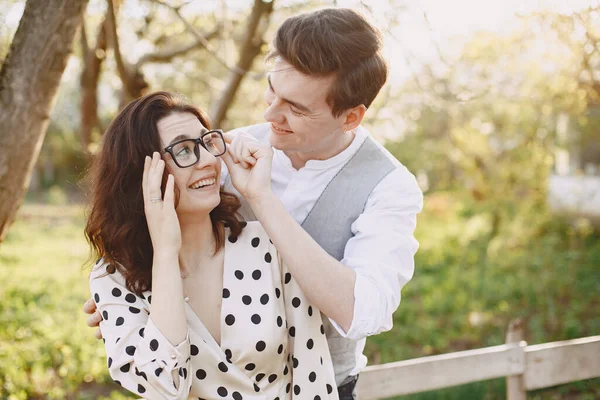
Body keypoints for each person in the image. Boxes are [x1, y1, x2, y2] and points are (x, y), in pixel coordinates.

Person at [85, 7, 423, 400]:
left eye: (296, 109)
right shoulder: (219, 150)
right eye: (271, 90)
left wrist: (262, 199)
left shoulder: (389, 187)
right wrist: (122, 299)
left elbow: (364, 312)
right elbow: (146, 211)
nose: (269, 114)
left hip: (318, 383)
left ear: (350, 117)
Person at [85, 91, 339, 399]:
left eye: (206, 143)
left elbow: (314, 372)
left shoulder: (268, 244)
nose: (207, 160)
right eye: (184, 150)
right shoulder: (113, 277)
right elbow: (165, 386)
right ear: (141, 175)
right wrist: (165, 252)